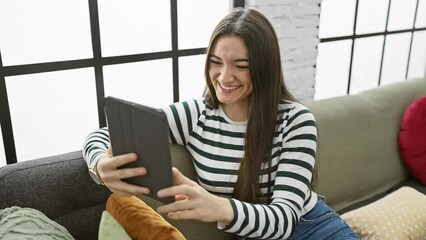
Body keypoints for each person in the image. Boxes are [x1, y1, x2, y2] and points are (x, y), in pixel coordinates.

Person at [83, 8, 359, 240]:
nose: (224, 77)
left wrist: (217, 207)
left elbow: (285, 220)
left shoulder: (296, 121)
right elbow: (101, 134)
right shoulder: (196, 115)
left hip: (312, 228)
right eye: (216, 62)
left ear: (264, 67)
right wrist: (99, 165)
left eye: (240, 65)